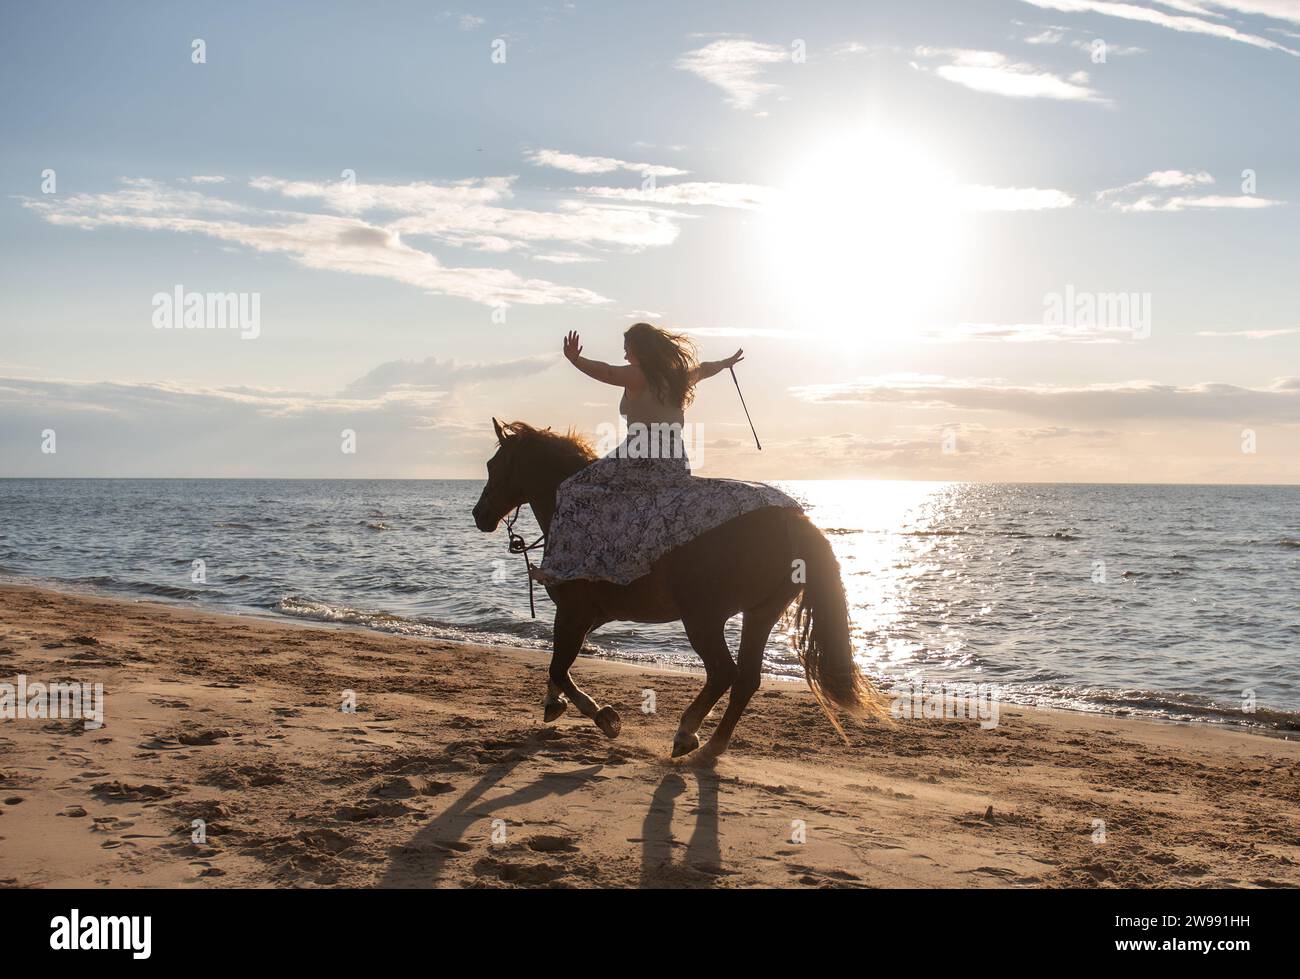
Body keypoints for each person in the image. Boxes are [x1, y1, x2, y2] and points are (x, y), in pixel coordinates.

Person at [535, 322, 800, 586]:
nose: (626, 355)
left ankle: (560, 567)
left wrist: (576, 360)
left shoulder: (639, 376)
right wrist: (726, 362)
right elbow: (705, 369)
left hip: (639, 454)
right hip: (674, 459)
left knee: (571, 488)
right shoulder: (677, 377)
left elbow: (606, 372)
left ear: (640, 349)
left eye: (628, 349)